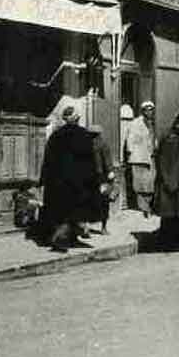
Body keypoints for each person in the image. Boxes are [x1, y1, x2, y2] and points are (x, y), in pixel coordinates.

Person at [36, 106, 105, 252]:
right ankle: (62, 240)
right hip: (78, 182)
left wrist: (44, 180)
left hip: (58, 182)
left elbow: (48, 159)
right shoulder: (83, 135)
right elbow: (89, 161)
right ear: (77, 119)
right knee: (74, 211)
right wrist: (94, 179)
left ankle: (68, 238)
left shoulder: (55, 135)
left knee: (61, 211)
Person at [152, 113, 179, 252]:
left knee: (174, 214)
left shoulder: (177, 138)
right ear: (178, 125)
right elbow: (164, 162)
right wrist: (169, 181)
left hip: (177, 181)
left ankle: (172, 242)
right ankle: (171, 243)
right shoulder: (171, 140)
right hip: (172, 182)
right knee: (171, 216)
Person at [124, 101, 157, 217]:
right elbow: (130, 139)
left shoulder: (151, 123)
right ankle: (142, 207)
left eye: (151, 110)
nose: (150, 112)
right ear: (143, 111)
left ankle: (147, 206)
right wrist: (131, 152)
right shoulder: (135, 123)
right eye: (147, 110)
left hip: (149, 156)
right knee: (139, 183)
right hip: (138, 157)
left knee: (149, 183)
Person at [87, 121, 116, 236]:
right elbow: (107, 161)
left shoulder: (86, 144)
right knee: (104, 202)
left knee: (90, 202)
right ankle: (103, 228)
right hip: (100, 177)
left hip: (90, 177)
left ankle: (87, 227)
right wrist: (110, 172)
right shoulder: (103, 144)